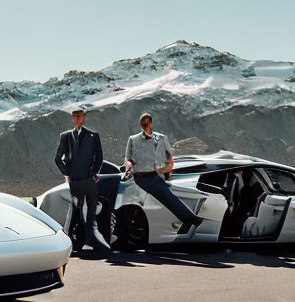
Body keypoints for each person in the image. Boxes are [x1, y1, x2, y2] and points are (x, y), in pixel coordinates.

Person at [124, 112, 203, 237]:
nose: (144, 125)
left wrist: (168, 171)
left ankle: (190, 220)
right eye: (142, 123)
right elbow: (128, 158)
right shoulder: (133, 139)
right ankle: (192, 220)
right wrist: (128, 166)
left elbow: (169, 156)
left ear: (150, 123)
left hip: (154, 176)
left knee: (168, 199)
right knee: (166, 199)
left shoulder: (160, 138)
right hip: (138, 178)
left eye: (146, 123)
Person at [54, 106, 113, 254]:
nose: (76, 118)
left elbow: (99, 157)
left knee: (91, 212)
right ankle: (78, 244)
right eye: (73, 116)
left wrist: (94, 174)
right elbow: (58, 158)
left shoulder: (93, 136)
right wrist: (68, 172)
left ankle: (97, 243)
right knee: (78, 210)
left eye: (78, 116)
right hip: (75, 181)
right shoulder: (65, 136)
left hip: (90, 180)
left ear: (84, 117)